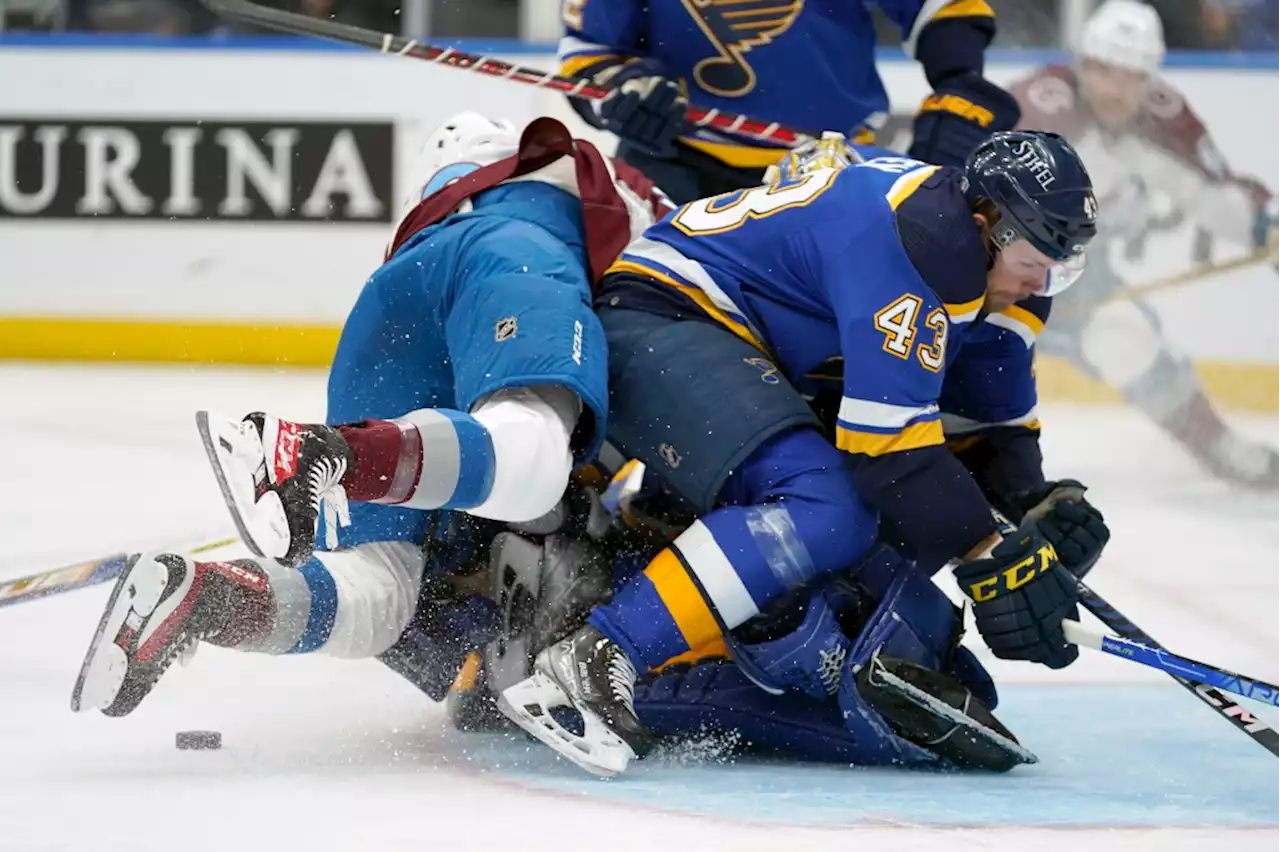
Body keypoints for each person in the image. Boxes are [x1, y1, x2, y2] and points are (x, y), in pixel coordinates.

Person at [495, 130, 1108, 776]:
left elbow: (983, 406)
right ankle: (596, 654)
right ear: (986, 225)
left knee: (870, 529)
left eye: (1063, 268)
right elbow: (891, 454)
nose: (1044, 283)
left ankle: (689, 628)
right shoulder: (917, 249)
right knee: (828, 506)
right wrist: (990, 556)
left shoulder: (977, 249)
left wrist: (1028, 499)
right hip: (662, 318)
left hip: (718, 337)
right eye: (1038, 262)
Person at [69, 113, 671, 718]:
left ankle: (202, 595)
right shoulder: (592, 188)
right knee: (531, 459)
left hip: (393, 297)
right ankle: (316, 454)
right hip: (512, 263)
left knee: (380, 590)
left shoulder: (448, 196)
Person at [1009, 0, 1280, 488]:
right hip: (992, 267)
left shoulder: (1162, 119)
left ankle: (1216, 444)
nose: (1116, 88)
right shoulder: (1041, 103)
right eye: (1104, 71)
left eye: (1131, 75)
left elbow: (1214, 192)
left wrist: (1266, 228)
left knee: (1123, 338)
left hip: (1078, 277)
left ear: (1149, 77)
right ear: (1082, 65)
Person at [555, 0, 1022, 203]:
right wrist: (626, 88)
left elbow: (938, 7)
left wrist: (957, 76)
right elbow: (589, 52)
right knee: (645, 324)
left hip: (827, 168)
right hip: (674, 164)